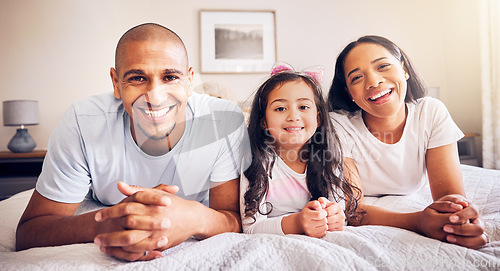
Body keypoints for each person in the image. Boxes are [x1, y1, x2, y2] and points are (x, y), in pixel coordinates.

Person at [16, 23, 250, 261]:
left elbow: (233, 218)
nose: (155, 98)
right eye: (138, 78)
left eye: (170, 77)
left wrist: (193, 218)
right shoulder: (83, 122)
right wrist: (104, 223)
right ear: (116, 83)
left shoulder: (222, 121)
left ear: (190, 81)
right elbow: (29, 231)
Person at [328, 35, 486, 249]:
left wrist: (460, 221)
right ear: (349, 93)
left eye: (383, 66)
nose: (374, 82)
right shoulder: (338, 125)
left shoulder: (431, 111)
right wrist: (418, 221)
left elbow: (451, 198)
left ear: (404, 69)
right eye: (357, 78)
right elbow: (353, 210)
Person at [240, 63, 360, 237]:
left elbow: (340, 212)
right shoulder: (254, 161)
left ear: (318, 118)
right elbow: (250, 228)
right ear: (263, 121)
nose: (293, 116)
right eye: (280, 108)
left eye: (303, 107)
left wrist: (335, 217)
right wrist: (298, 222)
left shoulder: (329, 157)